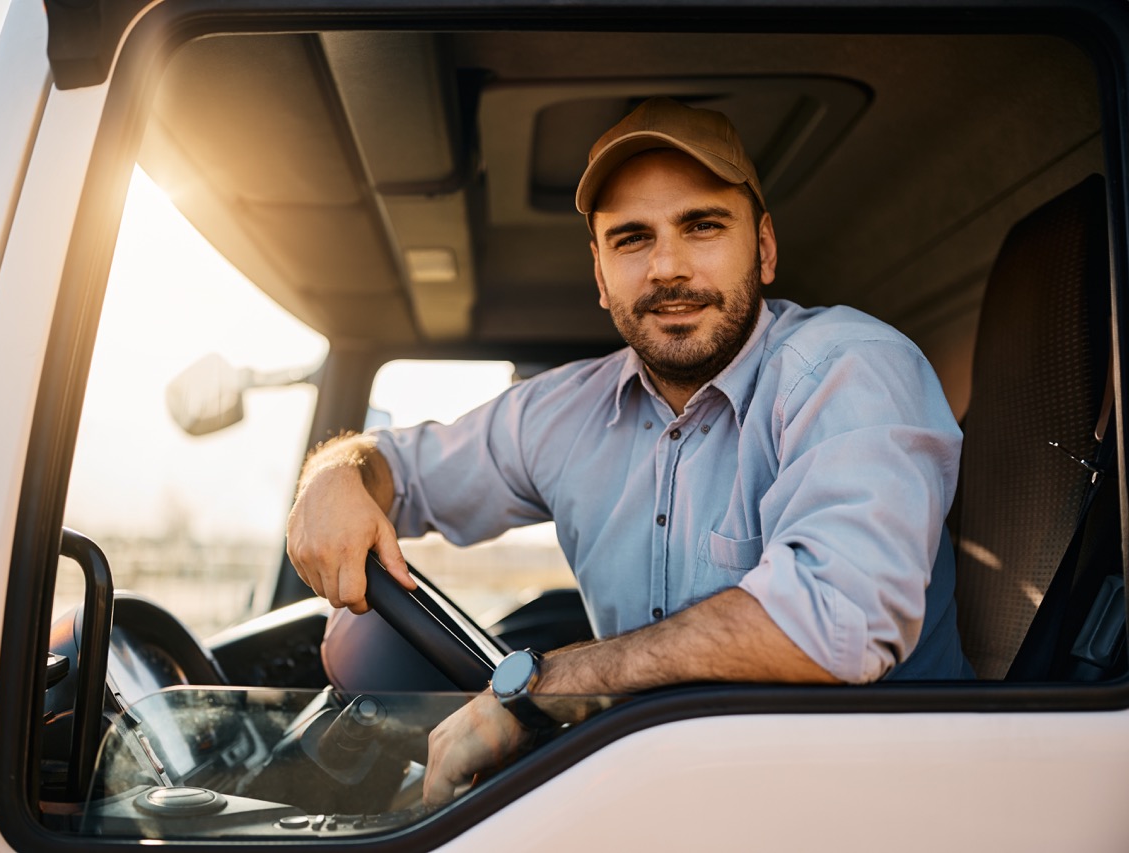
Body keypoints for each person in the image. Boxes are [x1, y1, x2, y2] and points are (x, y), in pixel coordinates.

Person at [286, 97, 970, 807]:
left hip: (874, 804)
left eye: (702, 225)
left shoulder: (850, 368)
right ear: (600, 271)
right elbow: (398, 469)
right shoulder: (563, 412)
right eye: (632, 239)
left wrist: (545, 688)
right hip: (658, 797)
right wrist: (335, 476)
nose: (668, 267)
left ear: (763, 248)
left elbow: (831, 621)